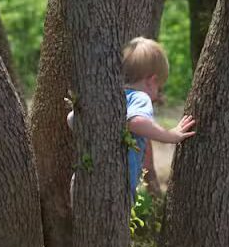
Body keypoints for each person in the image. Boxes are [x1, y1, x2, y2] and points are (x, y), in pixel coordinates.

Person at [67, 37, 196, 201]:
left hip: (82, 180)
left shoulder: (109, 96)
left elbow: (71, 119)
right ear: (152, 81)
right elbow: (136, 122)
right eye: (159, 88)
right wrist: (171, 136)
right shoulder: (140, 97)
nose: (158, 95)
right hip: (114, 188)